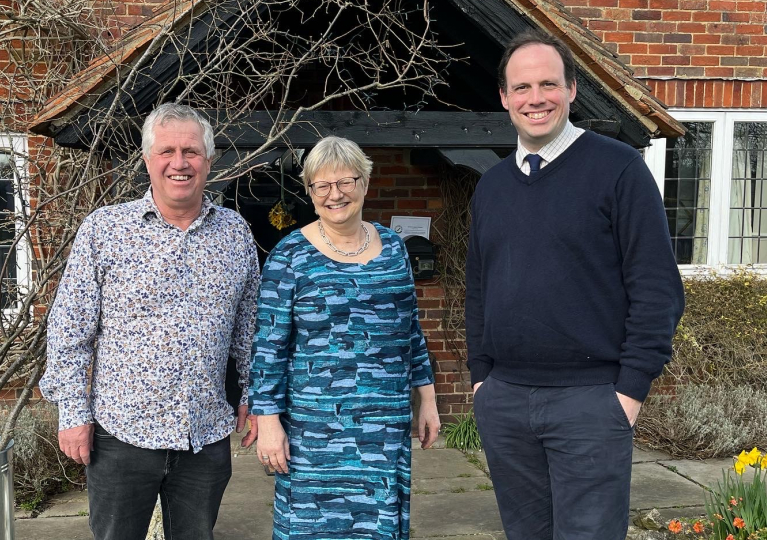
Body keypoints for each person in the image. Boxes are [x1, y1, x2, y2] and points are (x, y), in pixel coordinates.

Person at [465, 29, 685, 540]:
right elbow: (478, 287)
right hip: (506, 402)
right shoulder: (492, 185)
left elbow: (656, 288)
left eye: (548, 84)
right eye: (521, 88)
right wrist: (481, 380)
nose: (534, 98)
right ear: (504, 97)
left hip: (591, 401)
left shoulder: (619, 169)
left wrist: (628, 393)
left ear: (572, 90)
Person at [40, 103, 260, 540]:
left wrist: (252, 395)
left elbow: (248, 329)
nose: (179, 163)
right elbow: (69, 331)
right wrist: (72, 413)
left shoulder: (235, 233)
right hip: (122, 436)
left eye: (191, 152)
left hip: (205, 436)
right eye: (167, 151)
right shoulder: (105, 230)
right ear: (147, 159)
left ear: (209, 161)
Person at [249, 135, 440, 540]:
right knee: (311, 525)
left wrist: (427, 400)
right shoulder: (289, 255)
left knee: (377, 525)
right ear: (311, 192)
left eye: (345, 182)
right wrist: (267, 422)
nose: (335, 194)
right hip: (314, 430)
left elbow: (410, 330)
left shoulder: (393, 247)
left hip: (384, 424)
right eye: (322, 185)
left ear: (365, 184)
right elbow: (268, 347)